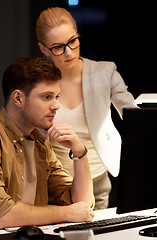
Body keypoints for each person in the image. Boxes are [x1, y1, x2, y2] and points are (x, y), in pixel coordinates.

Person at [0, 56, 94, 229]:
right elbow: (1, 215)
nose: (56, 106)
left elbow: (82, 205)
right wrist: (67, 213)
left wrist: (79, 152)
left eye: (57, 96)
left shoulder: (39, 141)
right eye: (47, 97)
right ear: (18, 98)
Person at [36, 7, 137, 209]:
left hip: (97, 178)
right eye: (57, 47)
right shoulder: (37, 81)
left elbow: (134, 116)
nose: (68, 52)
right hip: (54, 183)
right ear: (44, 49)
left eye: (72, 41)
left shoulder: (104, 72)